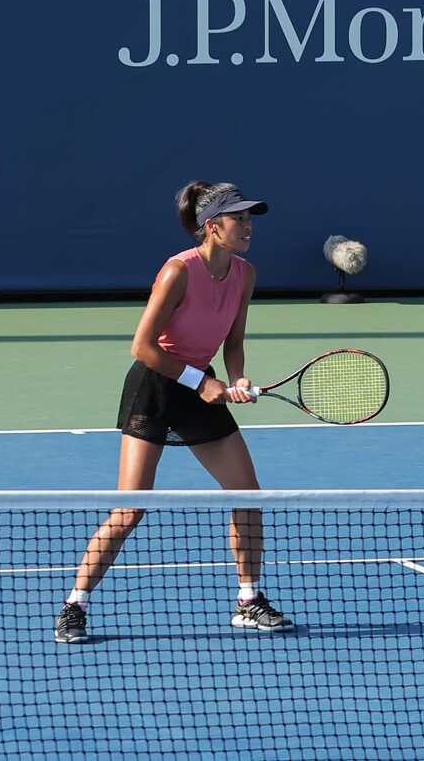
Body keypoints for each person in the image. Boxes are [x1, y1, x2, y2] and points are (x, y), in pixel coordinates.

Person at [54, 181, 294, 643]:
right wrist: (201, 382)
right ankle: (74, 604)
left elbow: (234, 342)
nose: (247, 226)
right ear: (211, 226)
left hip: (198, 385)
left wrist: (237, 378)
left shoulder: (245, 273)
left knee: (247, 496)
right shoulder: (177, 272)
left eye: (250, 218)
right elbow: (142, 347)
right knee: (131, 508)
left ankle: (248, 600)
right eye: (238, 218)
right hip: (156, 388)